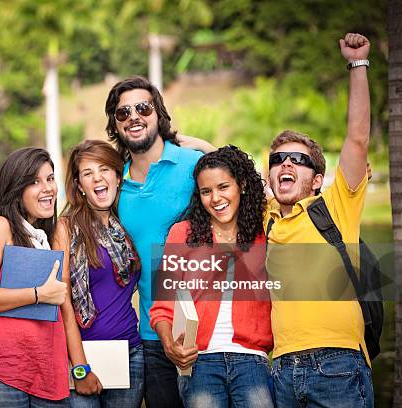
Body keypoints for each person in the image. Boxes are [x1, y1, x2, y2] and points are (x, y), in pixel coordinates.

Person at [265, 33, 373, 407]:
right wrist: (174, 135)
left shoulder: (336, 206)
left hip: (338, 364)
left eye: (298, 160)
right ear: (269, 178)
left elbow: (357, 140)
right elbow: (220, 165)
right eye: (277, 160)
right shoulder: (265, 218)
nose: (286, 164)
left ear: (316, 179)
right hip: (280, 368)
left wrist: (358, 65)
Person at [104, 75, 213, 407]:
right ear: (115, 124)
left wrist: (206, 147)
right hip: (153, 335)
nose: (133, 117)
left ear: (158, 113)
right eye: (123, 113)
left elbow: (244, 189)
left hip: (208, 332)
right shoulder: (113, 184)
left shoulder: (192, 165)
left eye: (142, 108)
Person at [150, 146, 274, 408]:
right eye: (206, 191)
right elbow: (162, 307)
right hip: (199, 361)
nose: (215, 198)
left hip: (252, 359)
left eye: (223, 187)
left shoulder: (265, 231)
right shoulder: (182, 234)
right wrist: (170, 345)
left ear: (241, 185)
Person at [0, 147, 69, 407]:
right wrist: (39, 294)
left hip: (42, 373)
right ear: (16, 188)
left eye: (50, 178)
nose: (48, 188)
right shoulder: (0, 225)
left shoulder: (43, 237)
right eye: (34, 182)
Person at [53, 140, 143, 408]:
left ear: (118, 176)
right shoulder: (65, 228)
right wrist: (80, 367)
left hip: (131, 354)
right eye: (87, 173)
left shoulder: (124, 228)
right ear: (79, 185)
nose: (97, 178)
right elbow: (62, 300)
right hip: (82, 357)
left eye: (104, 169)